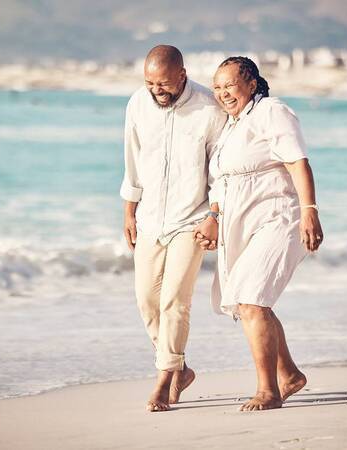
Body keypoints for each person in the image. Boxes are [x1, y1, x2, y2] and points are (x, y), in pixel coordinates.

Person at [195, 56, 323, 411]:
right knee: (250, 301)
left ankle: (269, 391)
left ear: (252, 84)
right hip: (240, 222)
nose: (222, 93)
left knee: (252, 299)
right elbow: (223, 181)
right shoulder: (231, 126)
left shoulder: (271, 111)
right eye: (217, 87)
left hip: (277, 217)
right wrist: (213, 217)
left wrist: (309, 212)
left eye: (230, 85)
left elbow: (298, 162)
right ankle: (290, 374)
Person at [120, 45, 226, 412]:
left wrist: (215, 215)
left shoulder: (210, 109)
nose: (156, 90)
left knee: (175, 301)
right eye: (150, 82)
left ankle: (165, 377)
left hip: (193, 218)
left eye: (163, 83)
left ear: (182, 74)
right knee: (146, 300)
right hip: (150, 217)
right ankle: (180, 367)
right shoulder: (137, 103)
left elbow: (219, 171)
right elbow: (132, 161)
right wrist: (129, 212)